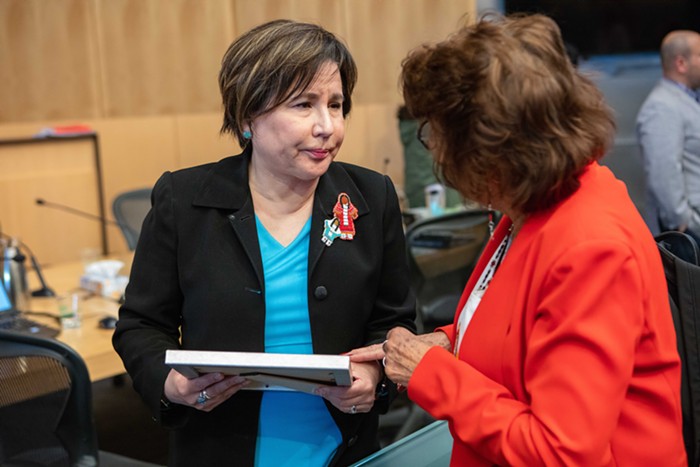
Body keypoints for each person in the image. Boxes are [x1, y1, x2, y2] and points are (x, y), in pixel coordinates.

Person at [350, 14, 687, 466]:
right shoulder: (539, 200)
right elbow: (523, 327)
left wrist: (431, 373)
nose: (435, 154)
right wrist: (449, 342)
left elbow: (560, 452)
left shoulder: (590, 245)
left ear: (491, 150)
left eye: (438, 135)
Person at [112, 19, 415, 467]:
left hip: (343, 449)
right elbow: (140, 325)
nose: (327, 126)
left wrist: (375, 375)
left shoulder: (372, 197)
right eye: (303, 105)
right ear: (247, 117)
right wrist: (169, 384)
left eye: (336, 105)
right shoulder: (184, 200)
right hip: (220, 447)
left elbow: (394, 322)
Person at [636, 30, 700, 240]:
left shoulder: (685, 99)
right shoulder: (661, 107)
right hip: (688, 235)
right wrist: (683, 223)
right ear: (681, 63)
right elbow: (663, 171)